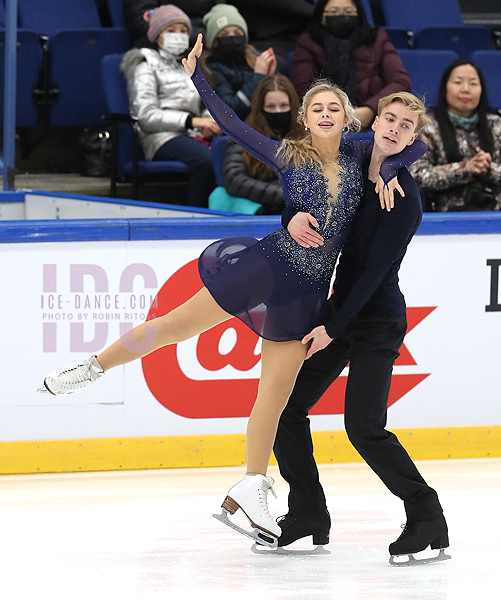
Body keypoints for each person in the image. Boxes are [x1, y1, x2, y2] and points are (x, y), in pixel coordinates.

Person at [37, 35, 424, 548]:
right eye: (317, 108)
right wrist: (198, 76)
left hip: (307, 295)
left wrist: (388, 166)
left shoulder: (360, 155)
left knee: (275, 398)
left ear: (349, 118)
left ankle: (253, 483)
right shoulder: (288, 154)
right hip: (265, 267)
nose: (327, 114)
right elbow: (230, 124)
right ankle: (92, 367)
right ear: (305, 119)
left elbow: (410, 143)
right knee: (170, 326)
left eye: (335, 107)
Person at [272, 93, 450, 564]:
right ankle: (307, 511)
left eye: (405, 126)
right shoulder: (350, 163)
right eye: (388, 119)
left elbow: (374, 271)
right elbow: (305, 194)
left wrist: (334, 326)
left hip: (375, 320)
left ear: (414, 136)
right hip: (341, 315)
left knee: (364, 427)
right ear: (375, 122)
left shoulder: (405, 198)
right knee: (286, 408)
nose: (394, 129)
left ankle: (427, 515)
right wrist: (291, 219)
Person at [120, 5, 218, 208]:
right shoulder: (144, 64)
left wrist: (210, 123)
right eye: (171, 31)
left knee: (231, 153)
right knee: (206, 160)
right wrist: (191, 121)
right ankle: (197, 216)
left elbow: (204, 103)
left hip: (194, 134)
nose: (178, 36)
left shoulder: (189, 64)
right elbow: (145, 115)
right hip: (160, 137)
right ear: (157, 36)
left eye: (183, 31)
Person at [291, 0, 411, 130]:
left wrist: (370, 109)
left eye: (348, 12)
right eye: (334, 12)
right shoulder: (309, 42)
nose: (342, 17)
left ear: (358, 14)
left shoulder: (377, 39)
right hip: (324, 120)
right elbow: (304, 89)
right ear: (321, 16)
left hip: (374, 120)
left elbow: (400, 82)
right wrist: (334, 112)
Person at [408, 59, 501, 212]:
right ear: (445, 88)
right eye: (458, 82)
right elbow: (417, 174)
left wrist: (488, 169)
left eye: (473, 83)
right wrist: (467, 168)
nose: (466, 89)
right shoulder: (428, 126)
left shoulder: (496, 124)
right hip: (448, 218)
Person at [220, 73, 303, 214]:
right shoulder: (242, 135)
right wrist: (284, 196)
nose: (278, 112)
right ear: (260, 108)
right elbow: (234, 180)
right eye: (270, 107)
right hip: (259, 211)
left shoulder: (307, 136)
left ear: (293, 106)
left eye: (284, 106)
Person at [200, 3, 277, 120]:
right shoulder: (211, 67)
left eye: (237, 33)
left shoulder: (257, 58)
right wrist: (258, 76)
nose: (232, 38)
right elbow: (230, 109)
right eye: (224, 34)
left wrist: (271, 78)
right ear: (213, 41)